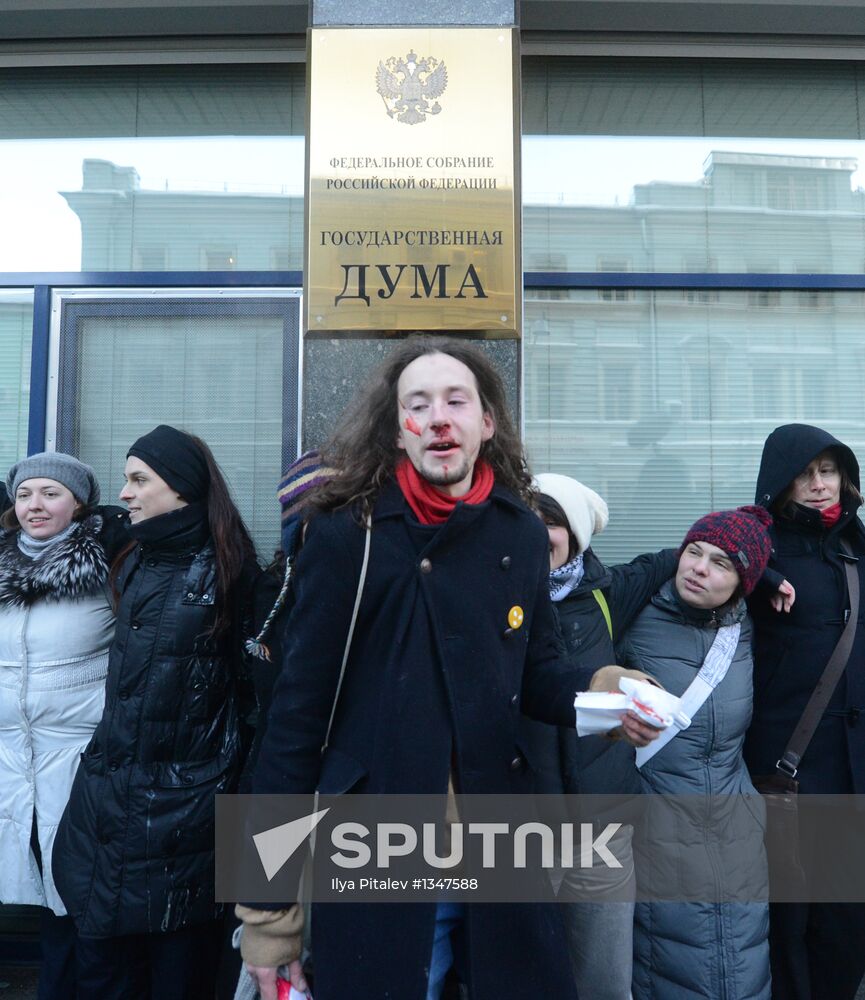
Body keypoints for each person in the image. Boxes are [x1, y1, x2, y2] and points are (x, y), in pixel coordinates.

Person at [237, 337, 662, 1000]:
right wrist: (267, 914)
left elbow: (541, 671)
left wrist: (611, 693)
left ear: (486, 422)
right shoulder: (350, 533)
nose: (438, 417)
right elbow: (293, 724)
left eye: (455, 400)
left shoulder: (518, 532)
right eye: (418, 403)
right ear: (396, 428)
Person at [53, 425, 262, 1000]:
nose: (124, 493)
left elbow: (255, 709)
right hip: (105, 814)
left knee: (178, 978)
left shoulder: (232, 574)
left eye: (139, 479)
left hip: (184, 828)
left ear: (185, 489)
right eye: (125, 480)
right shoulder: (130, 560)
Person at [530, 473, 678, 1000]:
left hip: (604, 827)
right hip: (522, 827)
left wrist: (767, 572)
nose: (537, 532)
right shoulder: (495, 603)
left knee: (605, 984)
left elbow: (678, 557)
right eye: (527, 519)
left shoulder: (606, 594)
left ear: (575, 534)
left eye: (551, 521)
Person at [617, 505, 774, 999]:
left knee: (743, 972)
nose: (699, 568)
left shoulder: (748, 629)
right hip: (656, 832)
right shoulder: (633, 616)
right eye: (693, 552)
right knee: (666, 972)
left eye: (721, 563)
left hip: (737, 835)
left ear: (743, 581)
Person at [745, 423, 865, 1000]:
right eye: (804, 474)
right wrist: (757, 572)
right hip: (784, 770)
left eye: (828, 471)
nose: (819, 485)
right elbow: (694, 561)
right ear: (781, 483)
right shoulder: (755, 544)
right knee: (786, 918)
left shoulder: (857, 547)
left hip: (854, 772)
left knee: (846, 922)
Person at [0, 452, 125, 999]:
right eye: (25, 494)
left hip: (76, 760)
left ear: (78, 503)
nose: (35, 505)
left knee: (71, 899)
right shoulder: (0, 563)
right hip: (7, 761)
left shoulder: (109, 565)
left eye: (50, 493)